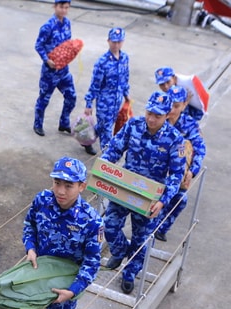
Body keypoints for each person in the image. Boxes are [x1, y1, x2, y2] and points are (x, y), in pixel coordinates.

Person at [7, 157, 104, 309]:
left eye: (68, 186)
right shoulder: (42, 200)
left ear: (82, 186)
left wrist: (73, 290)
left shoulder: (91, 221)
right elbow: (29, 224)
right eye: (57, 183)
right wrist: (30, 247)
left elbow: (92, 262)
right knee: (14, 308)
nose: (60, 191)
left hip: (66, 281)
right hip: (38, 269)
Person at [101, 91, 187, 294]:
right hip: (125, 187)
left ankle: (129, 273)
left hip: (150, 197)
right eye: (149, 113)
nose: (151, 118)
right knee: (110, 226)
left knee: (142, 239)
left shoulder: (175, 140)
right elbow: (115, 148)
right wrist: (104, 165)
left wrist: (163, 201)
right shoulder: (134, 125)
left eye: (157, 115)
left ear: (167, 115)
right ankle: (120, 251)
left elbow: (176, 175)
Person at [154, 84, 206, 241]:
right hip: (155, 170)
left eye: (176, 106)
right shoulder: (157, 118)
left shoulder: (189, 125)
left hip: (177, 173)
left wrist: (192, 171)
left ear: (184, 105)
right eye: (170, 105)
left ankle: (161, 229)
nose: (172, 110)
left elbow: (200, 149)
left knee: (180, 200)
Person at [82, 27, 130, 156]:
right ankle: (106, 158)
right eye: (114, 42)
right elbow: (95, 84)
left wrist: (126, 95)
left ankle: (86, 139)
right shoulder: (102, 62)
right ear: (108, 41)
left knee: (104, 126)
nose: (116, 45)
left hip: (117, 101)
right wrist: (88, 103)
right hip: (104, 102)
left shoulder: (125, 58)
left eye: (119, 42)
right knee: (107, 131)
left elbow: (125, 77)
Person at [33, 1, 77, 137]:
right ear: (55, 7)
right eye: (61, 7)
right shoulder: (48, 26)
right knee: (44, 99)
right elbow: (38, 45)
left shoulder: (67, 23)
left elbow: (68, 44)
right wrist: (46, 60)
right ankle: (38, 124)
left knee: (71, 96)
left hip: (64, 70)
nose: (63, 10)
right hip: (50, 72)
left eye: (66, 8)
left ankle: (64, 122)